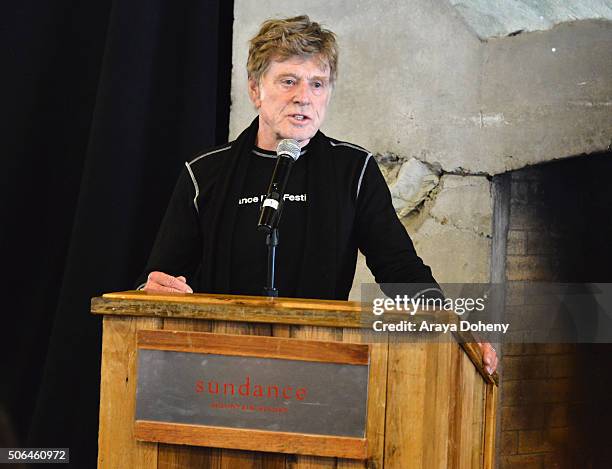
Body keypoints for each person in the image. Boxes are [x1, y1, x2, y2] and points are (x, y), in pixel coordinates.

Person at [137, 15, 498, 374]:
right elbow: (164, 280)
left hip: (317, 369)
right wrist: (152, 291)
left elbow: (399, 269)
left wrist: (453, 324)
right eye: (288, 81)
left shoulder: (353, 170)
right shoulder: (204, 174)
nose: (303, 98)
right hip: (217, 368)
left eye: (317, 84)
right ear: (254, 90)